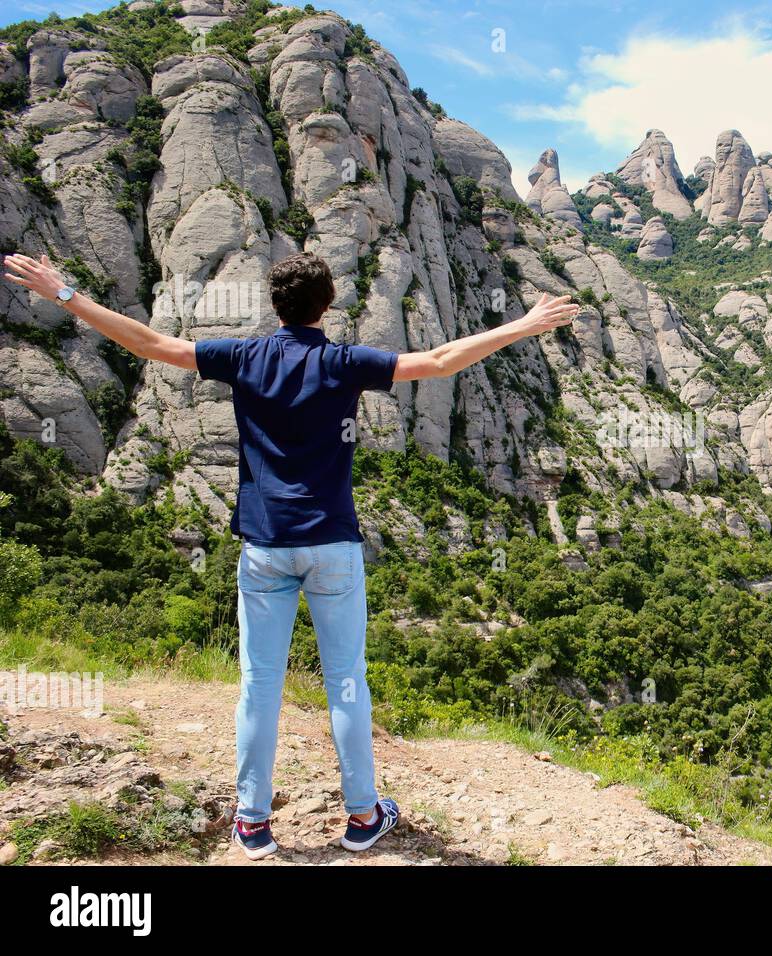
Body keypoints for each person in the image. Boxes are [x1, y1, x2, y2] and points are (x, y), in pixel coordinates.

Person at [4, 251, 578, 859]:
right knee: (347, 683)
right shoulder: (342, 363)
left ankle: (252, 822)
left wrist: (64, 292)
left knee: (259, 684)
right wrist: (523, 322)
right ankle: (362, 817)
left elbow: (150, 344)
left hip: (265, 546)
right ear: (326, 306)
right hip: (332, 543)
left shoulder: (244, 357)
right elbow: (438, 362)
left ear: (274, 305)